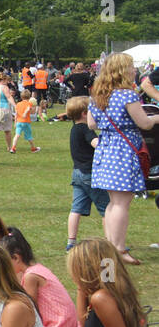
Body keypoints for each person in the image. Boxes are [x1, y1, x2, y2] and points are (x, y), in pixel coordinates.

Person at [84, 52, 157, 265]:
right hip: (124, 151)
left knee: (113, 202)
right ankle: (118, 249)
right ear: (121, 71)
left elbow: (91, 124)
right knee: (122, 204)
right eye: (131, 66)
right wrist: (156, 117)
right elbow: (144, 123)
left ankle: (111, 246)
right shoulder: (128, 95)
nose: (134, 70)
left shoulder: (97, 95)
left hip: (106, 149)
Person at [0, 227, 78, 327]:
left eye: (4, 262)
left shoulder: (31, 276)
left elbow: (30, 310)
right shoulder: (37, 269)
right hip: (66, 326)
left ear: (16, 258)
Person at [64, 96, 110, 252]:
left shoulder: (74, 128)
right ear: (85, 113)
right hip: (90, 174)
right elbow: (95, 144)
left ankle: (71, 241)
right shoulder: (85, 129)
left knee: (75, 209)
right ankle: (112, 241)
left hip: (77, 173)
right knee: (107, 209)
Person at [11, 89, 40, 153]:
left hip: (18, 122)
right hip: (26, 122)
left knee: (17, 135)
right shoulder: (29, 103)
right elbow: (31, 111)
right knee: (29, 136)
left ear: (21, 97)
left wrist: (15, 122)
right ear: (29, 97)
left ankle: (13, 148)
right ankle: (33, 148)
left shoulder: (18, 104)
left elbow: (16, 114)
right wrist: (34, 107)